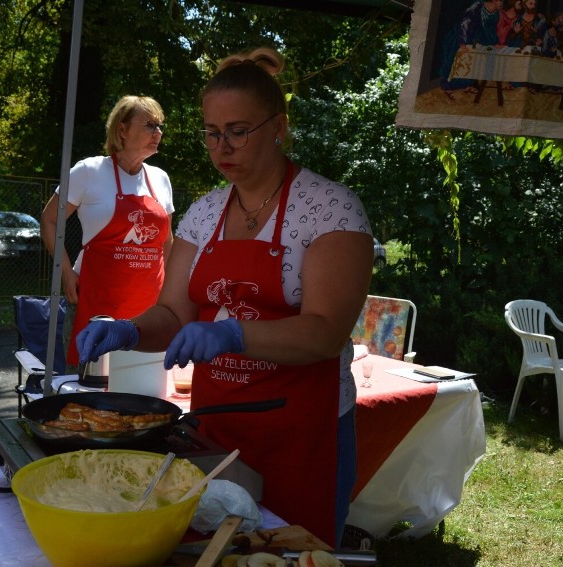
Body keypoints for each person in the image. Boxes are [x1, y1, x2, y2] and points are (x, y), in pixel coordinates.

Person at [75, 47, 374, 547]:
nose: (222, 147)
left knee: (292, 552)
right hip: (216, 430)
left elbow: (324, 332)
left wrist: (232, 332)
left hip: (302, 433)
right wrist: (128, 329)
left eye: (238, 131)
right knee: (214, 551)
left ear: (277, 126)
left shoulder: (331, 208)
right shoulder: (203, 213)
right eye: (212, 133)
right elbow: (173, 312)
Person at [40, 95, 174, 371]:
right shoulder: (88, 172)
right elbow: (49, 220)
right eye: (149, 124)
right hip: (99, 306)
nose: (158, 132)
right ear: (122, 130)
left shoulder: (160, 179)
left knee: (145, 387)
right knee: (94, 391)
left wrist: (173, 294)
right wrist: (67, 273)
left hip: (151, 309)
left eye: (160, 126)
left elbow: (167, 241)